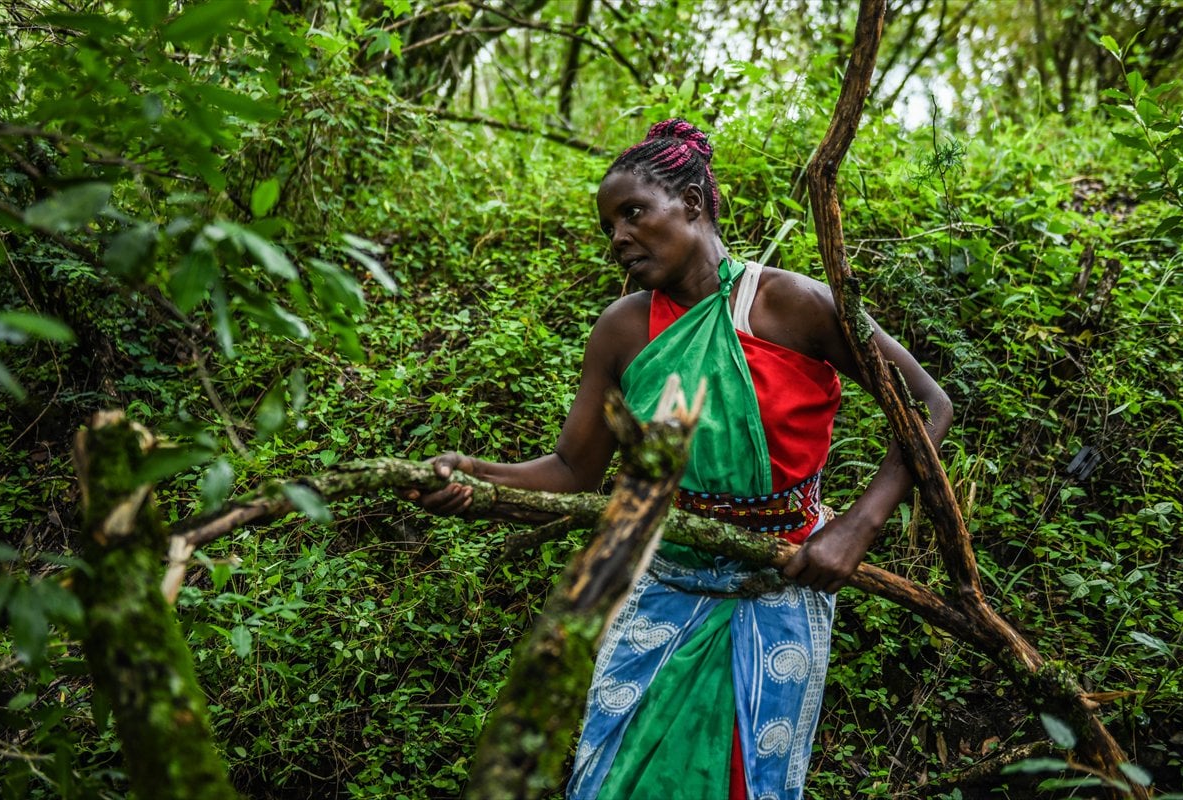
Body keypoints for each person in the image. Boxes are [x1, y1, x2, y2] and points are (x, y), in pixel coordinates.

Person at [407, 119, 952, 799]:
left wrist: (857, 527)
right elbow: (573, 471)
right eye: (609, 226)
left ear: (693, 202)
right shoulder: (623, 330)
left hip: (777, 585)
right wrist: (475, 476)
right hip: (668, 581)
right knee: (619, 778)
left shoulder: (793, 305)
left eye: (634, 213)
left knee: (742, 778)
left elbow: (929, 404)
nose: (618, 238)